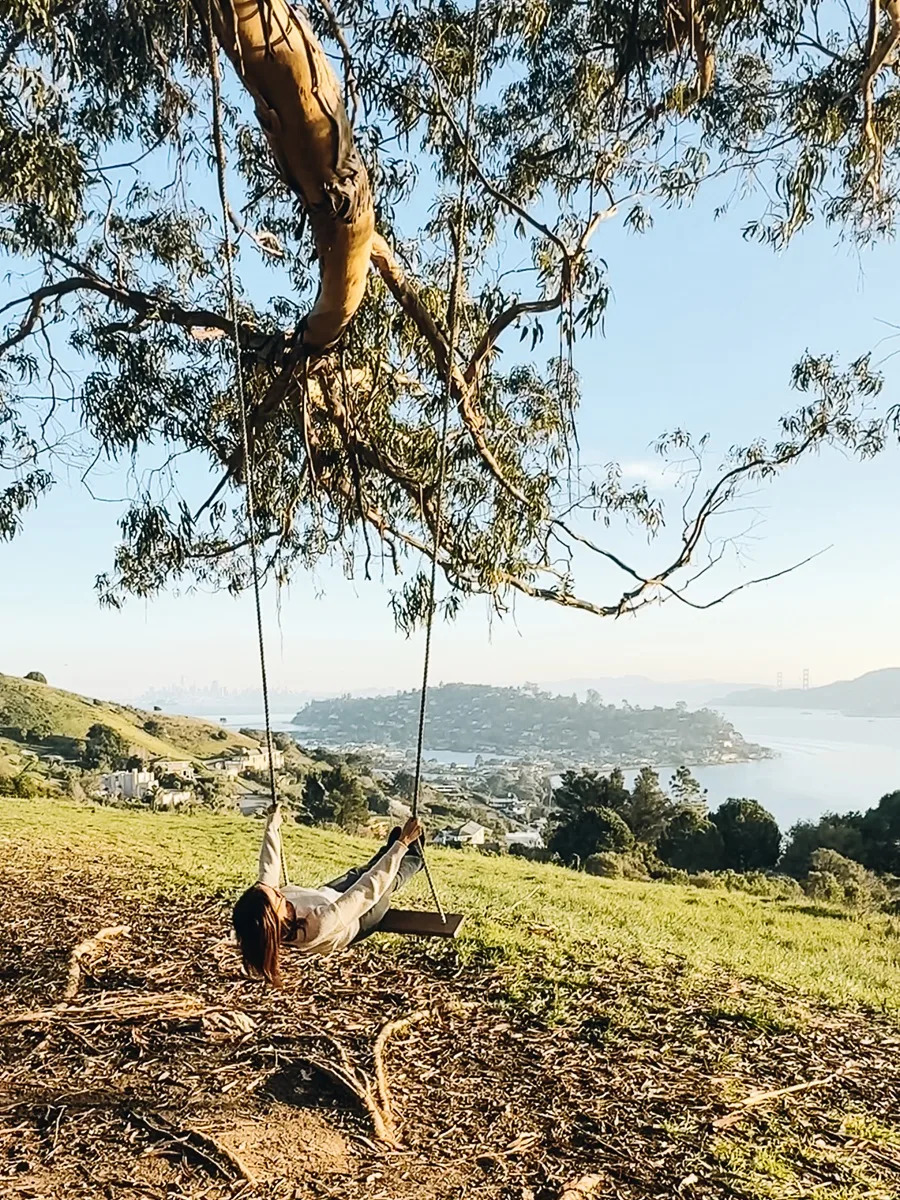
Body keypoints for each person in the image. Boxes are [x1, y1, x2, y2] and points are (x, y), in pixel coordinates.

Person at [232, 805, 425, 984]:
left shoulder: (267, 911)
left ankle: (390, 852)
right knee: (386, 883)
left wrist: (272, 825)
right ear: (274, 917)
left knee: (360, 873)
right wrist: (403, 843)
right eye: (276, 896)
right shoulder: (316, 926)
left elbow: (268, 868)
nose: (277, 891)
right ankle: (414, 857)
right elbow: (366, 890)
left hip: (326, 896)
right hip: (358, 920)